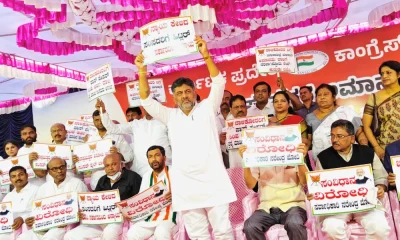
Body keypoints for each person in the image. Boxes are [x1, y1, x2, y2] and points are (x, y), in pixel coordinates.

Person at [137, 36, 236, 239]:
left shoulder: (208, 108)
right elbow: (146, 99)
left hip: (213, 182)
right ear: (173, 97)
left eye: (188, 91)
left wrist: (206, 56)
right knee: (198, 235)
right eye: (179, 93)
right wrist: (141, 71)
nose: (184, 96)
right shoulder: (169, 116)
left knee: (223, 232)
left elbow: (218, 82)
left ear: (194, 93)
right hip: (186, 186)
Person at [311, 120, 390, 239]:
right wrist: (315, 194)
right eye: (332, 135)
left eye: (339, 136)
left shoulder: (367, 152)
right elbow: (319, 186)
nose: (334, 140)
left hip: (366, 203)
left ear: (352, 138)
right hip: (338, 207)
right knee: (331, 227)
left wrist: (380, 187)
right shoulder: (323, 158)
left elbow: (381, 177)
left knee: (380, 227)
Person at [239, 143, 309, 240]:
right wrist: (246, 161)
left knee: (294, 223)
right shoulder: (259, 159)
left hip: (293, 206)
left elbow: (305, 181)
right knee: (250, 226)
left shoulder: (294, 154)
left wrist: (300, 159)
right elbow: (250, 185)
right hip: (266, 207)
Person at [64, 153, 142, 240]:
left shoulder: (133, 177)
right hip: (100, 218)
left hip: (119, 219)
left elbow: (139, 201)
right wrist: (83, 211)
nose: (110, 168)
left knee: (109, 233)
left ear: (122, 164)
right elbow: (93, 201)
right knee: (70, 235)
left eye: (114, 164)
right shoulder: (102, 180)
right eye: (107, 165)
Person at [96, 100, 172, 177]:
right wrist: (103, 112)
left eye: (153, 105)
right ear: (143, 107)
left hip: (165, 166)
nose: (150, 107)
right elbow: (113, 128)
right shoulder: (136, 124)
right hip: (143, 171)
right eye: (147, 105)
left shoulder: (166, 121)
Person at [19, 157, 88, 240]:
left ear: (66, 167)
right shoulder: (44, 188)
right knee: (24, 237)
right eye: (54, 169)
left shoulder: (77, 183)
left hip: (66, 225)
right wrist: (30, 219)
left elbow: (84, 208)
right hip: (45, 226)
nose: (59, 171)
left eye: (61, 167)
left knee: (50, 237)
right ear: (49, 172)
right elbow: (36, 210)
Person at [306, 84, 368, 160]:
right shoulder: (309, 117)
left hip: (350, 157)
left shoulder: (346, 111)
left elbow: (359, 133)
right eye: (319, 95)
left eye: (326, 94)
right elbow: (309, 140)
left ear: (334, 97)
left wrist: (365, 149)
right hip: (323, 161)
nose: (322, 97)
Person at [126, 146, 176, 240]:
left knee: (161, 233)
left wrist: (175, 195)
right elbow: (142, 200)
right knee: (131, 234)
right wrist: (131, 213)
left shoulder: (175, 171)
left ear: (164, 157)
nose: (154, 159)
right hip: (152, 216)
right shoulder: (146, 176)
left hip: (171, 214)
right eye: (150, 157)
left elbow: (186, 192)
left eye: (157, 155)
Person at [78, 110, 133, 189]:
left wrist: (119, 155)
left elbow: (130, 155)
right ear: (93, 122)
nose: (100, 122)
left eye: (101, 119)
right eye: (97, 120)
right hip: (97, 183)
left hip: (118, 182)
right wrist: (78, 162)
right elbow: (84, 164)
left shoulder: (117, 136)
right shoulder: (90, 140)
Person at [363, 60, 400, 159]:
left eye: (388, 73)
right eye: (382, 74)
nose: (384, 76)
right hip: (386, 146)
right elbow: (366, 126)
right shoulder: (374, 97)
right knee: (392, 174)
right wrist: (376, 147)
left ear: (398, 75)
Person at [0, 166, 39, 240]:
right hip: (11, 228)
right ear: (10, 180)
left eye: (21, 174)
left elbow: (40, 211)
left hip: (30, 228)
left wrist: (23, 218)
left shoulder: (36, 190)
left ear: (27, 175)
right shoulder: (8, 196)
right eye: (14, 176)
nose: (18, 178)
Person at [219, 95, 248, 168]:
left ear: (246, 108)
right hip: (236, 168)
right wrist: (222, 143)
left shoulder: (257, 125)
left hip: (255, 168)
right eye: (236, 107)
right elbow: (226, 151)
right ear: (231, 110)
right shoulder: (226, 131)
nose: (240, 109)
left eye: (242, 106)